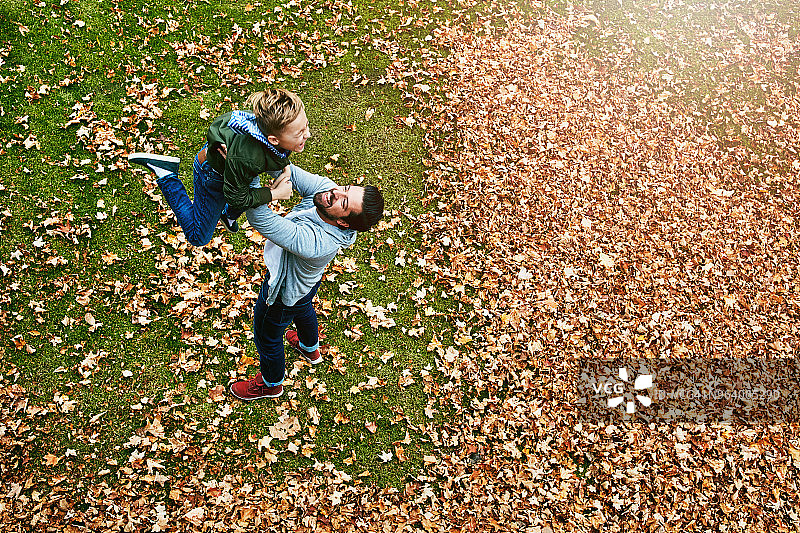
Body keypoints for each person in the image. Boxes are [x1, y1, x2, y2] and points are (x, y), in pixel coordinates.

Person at [228, 164, 385, 400]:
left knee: (267, 337)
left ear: (343, 223)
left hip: (282, 296)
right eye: (345, 189)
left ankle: (271, 384)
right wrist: (254, 157)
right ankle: (309, 348)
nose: (336, 193)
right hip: (307, 285)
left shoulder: (317, 243)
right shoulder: (328, 193)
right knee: (304, 309)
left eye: (343, 203)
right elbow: (283, 169)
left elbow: (259, 218)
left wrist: (248, 175)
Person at [127, 89, 310, 246]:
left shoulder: (265, 122)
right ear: (273, 140)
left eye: (306, 126)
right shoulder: (246, 159)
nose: (307, 135)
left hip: (231, 169)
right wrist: (275, 193)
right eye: (300, 133)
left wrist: (284, 165)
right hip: (213, 177)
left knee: (243, 185)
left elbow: (223, 123)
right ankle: (166, 174)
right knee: (198, 237)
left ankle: (227, 216)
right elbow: (238, 198)